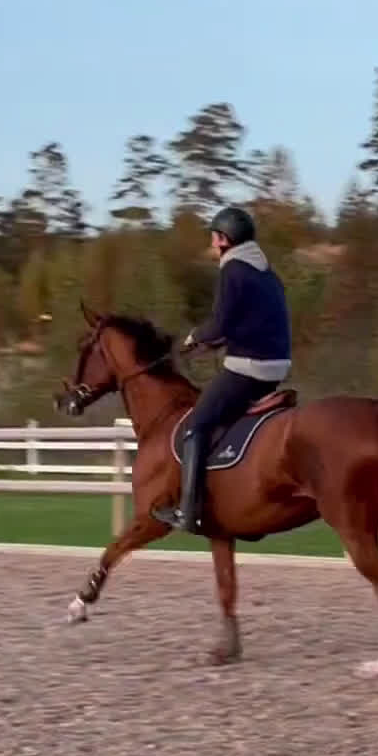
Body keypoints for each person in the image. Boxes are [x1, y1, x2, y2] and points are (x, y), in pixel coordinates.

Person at [153, 205, 293, 534]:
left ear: (226, 239)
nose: (213, 245)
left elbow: (221, 322)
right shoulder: (267, 273)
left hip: (249, 368)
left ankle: (189, 512)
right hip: (276, 367)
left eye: (215, 238)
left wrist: (195, 338)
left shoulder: (233, 270)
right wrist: (215, 342)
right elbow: (247, 323)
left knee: (196, 426)